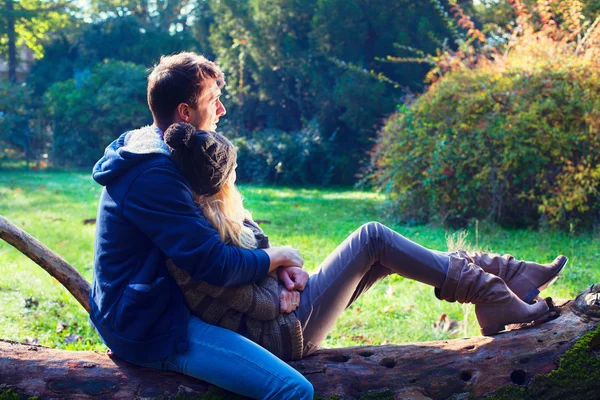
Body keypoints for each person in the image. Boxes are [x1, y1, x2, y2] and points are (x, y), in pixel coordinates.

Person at [151, 122, 567, 364]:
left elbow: (258, 249)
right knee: (372, 237)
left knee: (385, 253)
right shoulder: (187, 235)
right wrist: (279, 293)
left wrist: (281, 269)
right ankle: (493, 289)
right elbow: (230, 296)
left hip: (283, 315)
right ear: (218, 181)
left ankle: (503, 275)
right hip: (277, 335)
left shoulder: (220, 212)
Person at [90, 52, 314, 399]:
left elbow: (232, 228)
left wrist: (276, 263)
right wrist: (283, 255)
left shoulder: (168, 153)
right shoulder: (153, 174)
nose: (221, 109)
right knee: (294, 391)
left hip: (162, 305)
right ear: (185, 112)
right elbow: (215, 264)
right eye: (213, 100)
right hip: (153, 327)